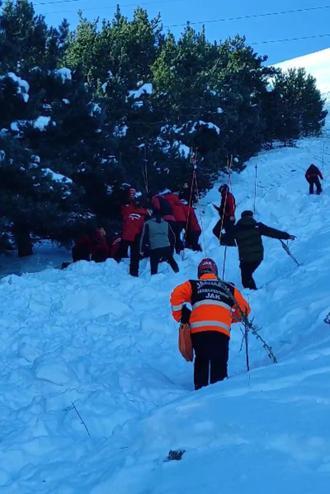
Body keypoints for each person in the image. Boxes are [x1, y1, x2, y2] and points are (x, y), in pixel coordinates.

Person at [170, 258, 250, 390]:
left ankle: (200, 390)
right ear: (215, 271)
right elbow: (244, 310)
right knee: (219, 362)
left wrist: (182, 316)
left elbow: (176, 295)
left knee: (201, 359)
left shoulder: (193, 284)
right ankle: (218, 394)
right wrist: (229, 318)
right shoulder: (229, 287)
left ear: (199, 273)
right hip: (221, 332)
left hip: (198, 331)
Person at [225, 210, 295, 290]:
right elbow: (272, 232)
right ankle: (252, 292)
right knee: (247, 275)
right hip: (258, 257)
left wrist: (229, 224)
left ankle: (252, 292)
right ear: (251, 216)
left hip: (245, 258)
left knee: (246, 276)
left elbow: (226, 238)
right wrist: (287, 236)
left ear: (242, 217)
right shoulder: (257, 226)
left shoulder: (236, 229)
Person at [140, 210, 179, 275]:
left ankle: (154, 276)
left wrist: (142, 249)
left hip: (155, 248)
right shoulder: (166, 223)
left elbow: (144, 237)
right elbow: (172, 237)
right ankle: (177, 272)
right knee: (171, 259)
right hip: (166, 247)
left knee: (154, 262)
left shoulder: (147, 223)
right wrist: (171, 248)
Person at [118, 198, 149, 276]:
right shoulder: (143, 212)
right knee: (134, 255)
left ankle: (119, 268)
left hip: (129, 235)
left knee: (129, 254)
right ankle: (133, 272)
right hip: (134, 235)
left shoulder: (128, 209)